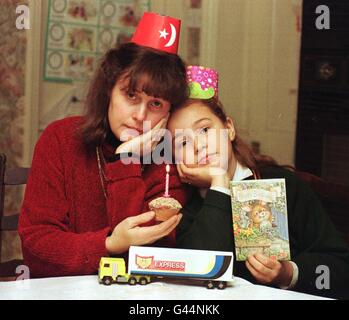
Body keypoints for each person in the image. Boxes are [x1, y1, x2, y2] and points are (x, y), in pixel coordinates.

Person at [18, 13, 189, 278]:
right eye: (131, 95)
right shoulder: (60, 138)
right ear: (109, 89)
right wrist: (110, 243)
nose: (141, 116)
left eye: (155, 104)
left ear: (169, 113)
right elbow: (36, 246)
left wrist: (127, 160)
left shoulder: (168, 160)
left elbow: (155, 257)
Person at [167, 66, 349, 299]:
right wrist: (220, 183)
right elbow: (201, 275)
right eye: (182, 143)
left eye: (204, 129)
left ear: (229, 128)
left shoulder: (285, 185)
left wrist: (288, 272)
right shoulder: (186, 209)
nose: (197, 145)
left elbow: (340, 266)